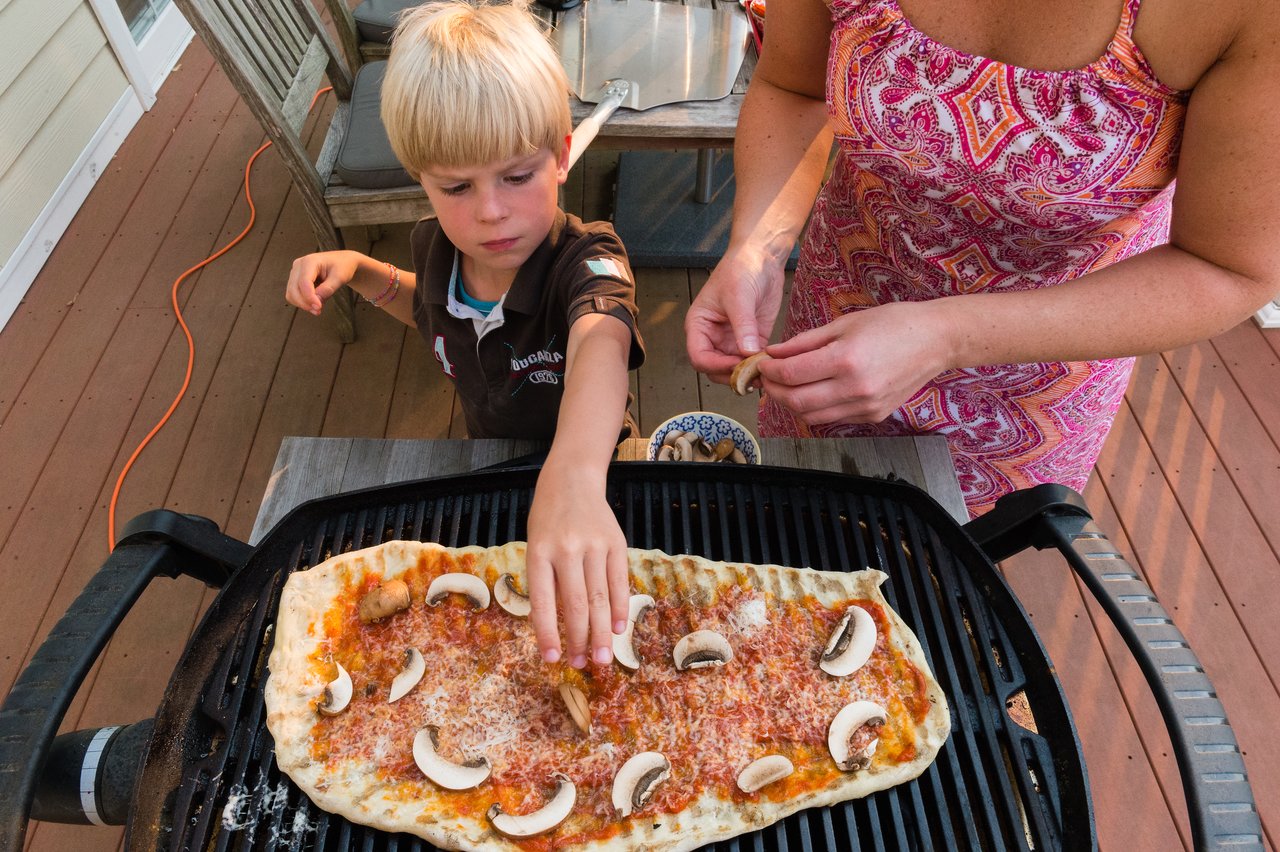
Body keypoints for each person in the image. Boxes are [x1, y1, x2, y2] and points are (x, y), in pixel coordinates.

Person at [686, 0, 1279, 515]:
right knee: (794, 526)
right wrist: (757, 249)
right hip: (832, 322)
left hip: (1029, 385)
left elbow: (1226, 267)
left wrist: (948, 336)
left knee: (940, 586)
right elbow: (794, 87)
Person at [285, 0, 645, 668]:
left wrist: (572, 478)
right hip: (488, 463)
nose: (491, 211)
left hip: (597, 485)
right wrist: (363, 272)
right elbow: (435, 315)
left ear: (562, 156)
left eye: (517, 175)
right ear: (420, 179)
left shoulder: (587, 259)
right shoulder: (434, 249)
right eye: (456, 186)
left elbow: (602, 338)